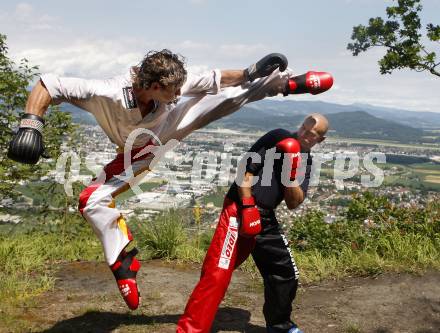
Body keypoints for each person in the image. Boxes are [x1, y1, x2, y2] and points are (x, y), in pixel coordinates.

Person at [8, 49, 333, 311]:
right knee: (90, 200)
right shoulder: (104, 91)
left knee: (223, 100)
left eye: (180, 88)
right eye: (173, 91)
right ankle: (123, 261)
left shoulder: (173, 88)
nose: (179, 94)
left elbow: (217, 79)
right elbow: (48, 84)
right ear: (151, 86)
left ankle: (285, 84)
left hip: (168, 128)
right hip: (139, 150)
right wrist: (31, 123)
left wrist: (251, 72)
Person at [177, 114, 329, 333]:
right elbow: (244, 170)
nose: (303, 134)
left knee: (285, 272)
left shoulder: (307, 161)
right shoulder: (277, 137)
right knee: (217, 273)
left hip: (265, 217)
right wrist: (248, 206)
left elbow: (294, 202)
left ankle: (280, 326)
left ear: (319, 140)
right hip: (238, 210)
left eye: (310, 134)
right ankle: (190, 330)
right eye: (303, 128)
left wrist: (291, 172)